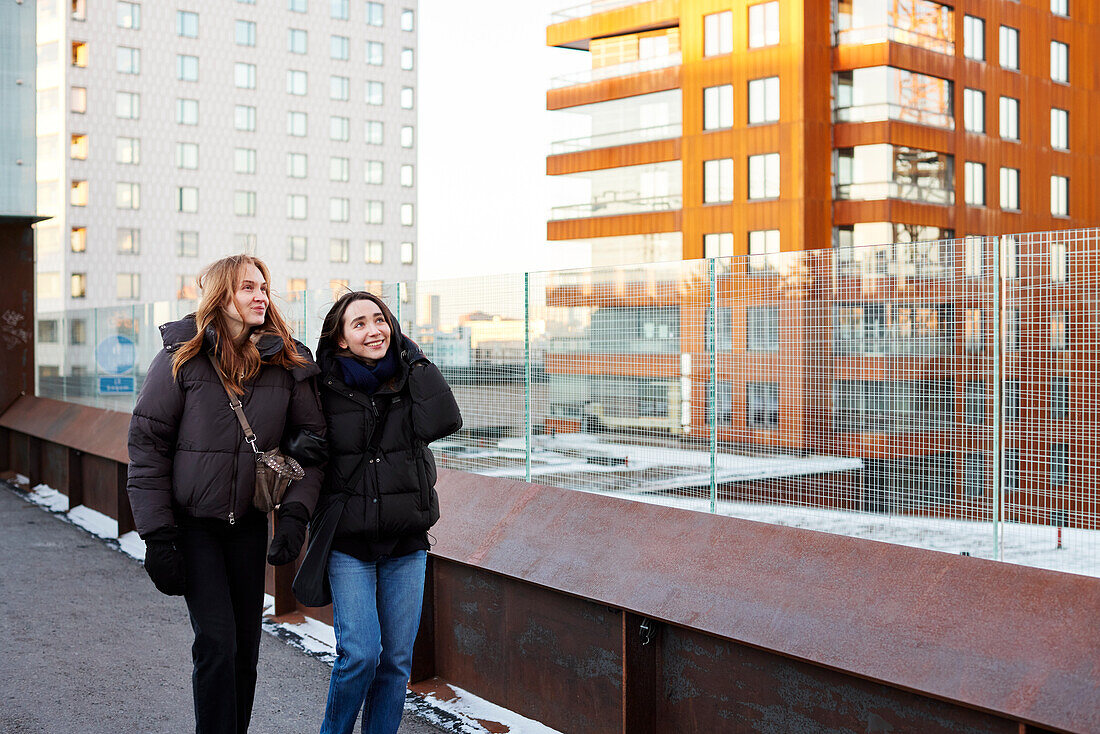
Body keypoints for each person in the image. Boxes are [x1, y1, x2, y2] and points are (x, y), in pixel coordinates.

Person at [126, 255, 326, 734]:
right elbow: (147, 447)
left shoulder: (287, 363)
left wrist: (295, 518)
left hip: (249, 525)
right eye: (247, 288)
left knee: (245, 650)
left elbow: (315, 448)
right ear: (221, 296)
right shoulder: (181, 358)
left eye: (264, 287)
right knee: (216, 642)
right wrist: (157, 536)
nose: (260, 296)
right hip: (193, 525)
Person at [302, 291, 461, 734]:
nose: (374, 330)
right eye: (359, 324)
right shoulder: (322, 386)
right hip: (349, 542)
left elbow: (444, 421)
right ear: (339, 340)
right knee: (360, 655)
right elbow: (297, 440)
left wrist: (416, 357)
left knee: (395, 662)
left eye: (380, 320)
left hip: (406, 541)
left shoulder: (409, 376)